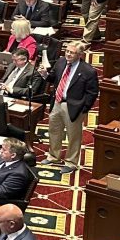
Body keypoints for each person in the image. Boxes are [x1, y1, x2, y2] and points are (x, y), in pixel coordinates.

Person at [46, 40, 97, 168]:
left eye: (72, 53)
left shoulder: (88, 71)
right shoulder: (61, 61)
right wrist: (45, 75)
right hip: (57, 102)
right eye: (67, 51)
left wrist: (84, 109)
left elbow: (92, 93)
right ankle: (53, 156)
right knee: (54, 130)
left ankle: (71, 162)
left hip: (74, 107)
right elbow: (53, 78)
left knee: (73, 136)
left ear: (80, 54)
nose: (68, 55)